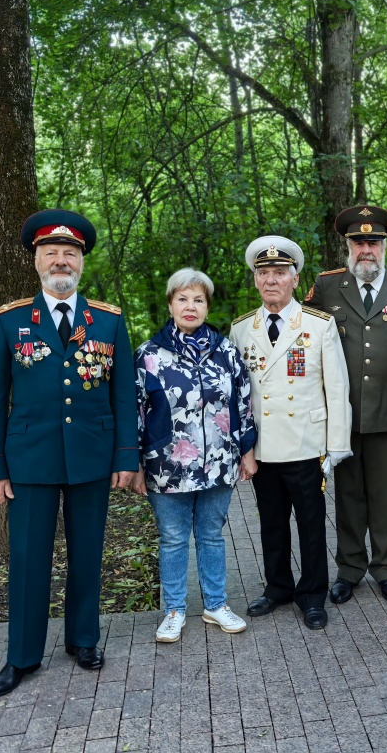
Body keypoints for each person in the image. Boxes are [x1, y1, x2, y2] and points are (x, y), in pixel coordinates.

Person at [0, 209, 137, 698]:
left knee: (88, 553)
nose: (61, 261)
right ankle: (22, 657)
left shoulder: (108, 321)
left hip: (92, 455)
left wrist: (126, 457)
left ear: (81, 263)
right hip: (30, 459)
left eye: (70, 254)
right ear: (37, 262)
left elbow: (124, 394)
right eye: (52, 253)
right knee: (28, 559)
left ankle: (83, 640)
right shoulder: (9, 321)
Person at [229, 236, 352, 631]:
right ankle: (278, 586)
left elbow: (337, 389)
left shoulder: (318, 326)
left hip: (306, 443)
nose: (271, 281)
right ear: (255, 281)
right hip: (264, 446)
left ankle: (312, 594)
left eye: (279, 273)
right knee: (271, 522)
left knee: (312, 525)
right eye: (263, 274)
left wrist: (337, 447)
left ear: (294, 279)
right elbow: (237, 395)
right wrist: (241, 448)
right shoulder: (241, 329)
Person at [304, 206, 387, 605]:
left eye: (373, 242)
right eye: (358, 242)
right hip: (343, 410)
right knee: (348, 494)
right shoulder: (326, 286)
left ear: (385, 246)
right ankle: (350, 569)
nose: (366, 249)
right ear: (347, 246)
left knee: (385, 495)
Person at [133, 268, 257, 642]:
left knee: (212, 535)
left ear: (207, 306)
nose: (191, 306)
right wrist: (136, 465)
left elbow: (243, 403)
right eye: (183, 298)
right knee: (172, 539)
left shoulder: (226, 352)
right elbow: (134, 413)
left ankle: (215, 605)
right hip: (165, 467)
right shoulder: (149, 355)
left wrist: (246, 452)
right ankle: (173, 610)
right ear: (170, 304)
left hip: (218, 463)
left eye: (198, 300)